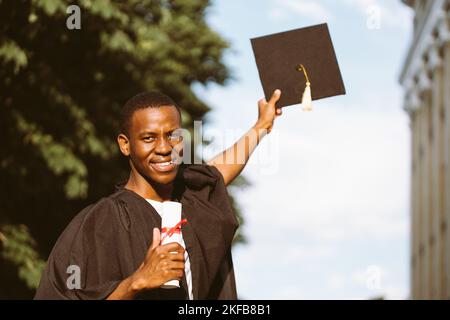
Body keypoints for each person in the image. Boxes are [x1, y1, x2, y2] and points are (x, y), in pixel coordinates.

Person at [34, 89, 282, 300]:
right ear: (125, 144)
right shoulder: (101, 221)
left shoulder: (192, 201)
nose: (164, 148)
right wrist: (137, 282)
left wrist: (261, 126)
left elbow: (219, 171)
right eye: (149, 138)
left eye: (173, 136)